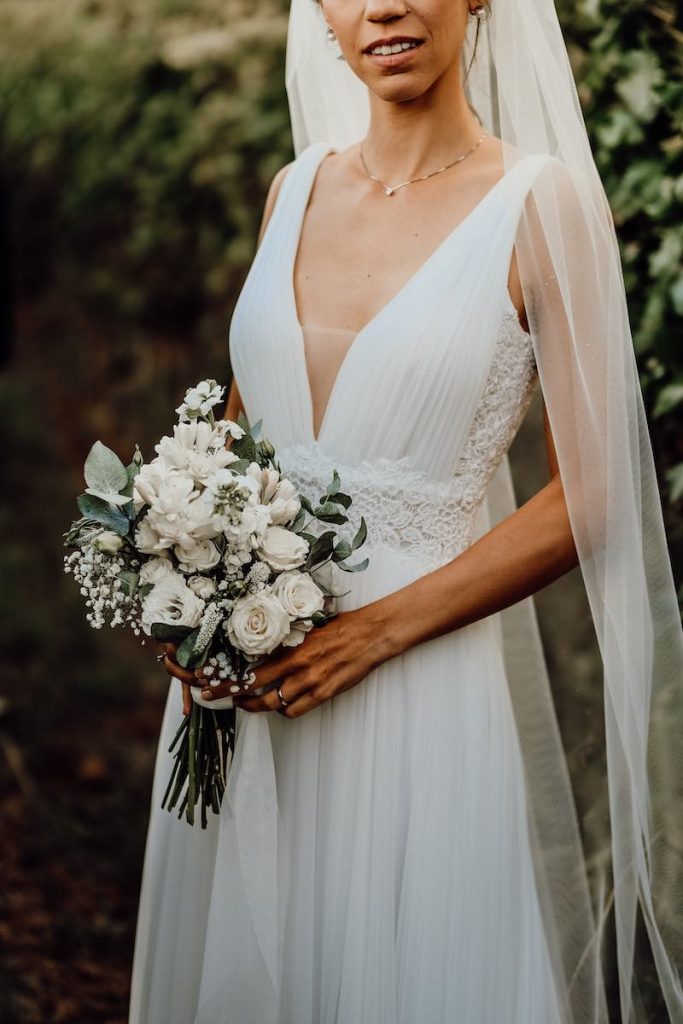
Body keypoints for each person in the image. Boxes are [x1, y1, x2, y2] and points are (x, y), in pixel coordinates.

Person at [129, 1, 683, 1022]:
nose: (382, 4)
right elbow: (245, 436)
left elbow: (592, 492)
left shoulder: (540, 206)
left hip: (419, 678)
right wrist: (184, 579)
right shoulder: (289, 190)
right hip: (246, 685)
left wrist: (369, 636)